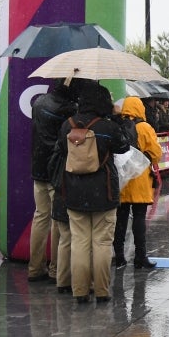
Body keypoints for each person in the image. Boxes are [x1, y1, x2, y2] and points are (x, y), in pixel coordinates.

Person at [54, 83, 129, 304]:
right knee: (102, 243)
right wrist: (117, 119)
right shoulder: (107, 127)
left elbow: (61, 148)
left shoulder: (67, 126)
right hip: (103, 190)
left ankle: (79, 291)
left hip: (74, 190)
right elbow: (124, 146)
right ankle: (102, 290)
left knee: (79, 242)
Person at [28, 81, 77, 283]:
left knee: (40, 217)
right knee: (58, 220)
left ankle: (34, 267)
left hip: (38, 166)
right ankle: (55, 269)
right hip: (56, 169)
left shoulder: (39, 102)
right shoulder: (68, 110)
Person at [112, 97, 163, 270]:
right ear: (140, 109)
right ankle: (140, 257)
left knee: (120, 219)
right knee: (139, 218)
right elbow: (156, 153)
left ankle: (118, 256)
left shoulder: (118, 126)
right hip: (140, 178)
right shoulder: (144, 127)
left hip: (122, 179)